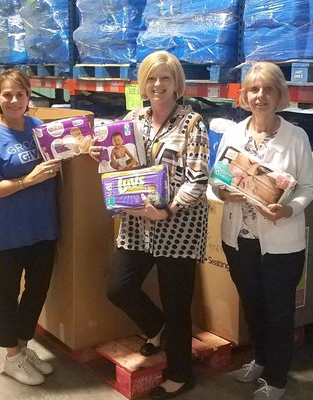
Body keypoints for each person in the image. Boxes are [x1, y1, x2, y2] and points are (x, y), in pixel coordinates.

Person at [89, 50, 209, 399]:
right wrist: (103, 157)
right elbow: (119, 166)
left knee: (177, 303)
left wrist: (168, 209)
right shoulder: (132, 120)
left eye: (165, 79)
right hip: (136, 225)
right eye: (152, 78)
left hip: (178, 226)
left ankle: (180, 374)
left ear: (177, 85)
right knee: (119, 288)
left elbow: (198, 179)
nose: (158, 85)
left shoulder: (192, 123)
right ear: (143, 84)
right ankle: (157, 328)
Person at [213, 62, 313, 400]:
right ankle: (260, 358)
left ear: (279, 95)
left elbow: (307, 188)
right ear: (244, 96)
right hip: (238, 238)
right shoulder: (234, 133)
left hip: (281, 243)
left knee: (279, 312)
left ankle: (277, 378)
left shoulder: (295, 136)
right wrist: (222, 191)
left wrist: (288, 209)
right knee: (253, 305)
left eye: (268, 89)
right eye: (254, 89)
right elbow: (217, 179)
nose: (260, 96)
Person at [0, 69, 62, 386]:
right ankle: (11, 357)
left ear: (28, 97)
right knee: (8, 294)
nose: (14, 100)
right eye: (7, 95)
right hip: (8, 232)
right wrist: (28, 180)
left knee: (37, 290)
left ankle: (23, 347)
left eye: (20, 94)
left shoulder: (40, 129)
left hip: (42, 227)